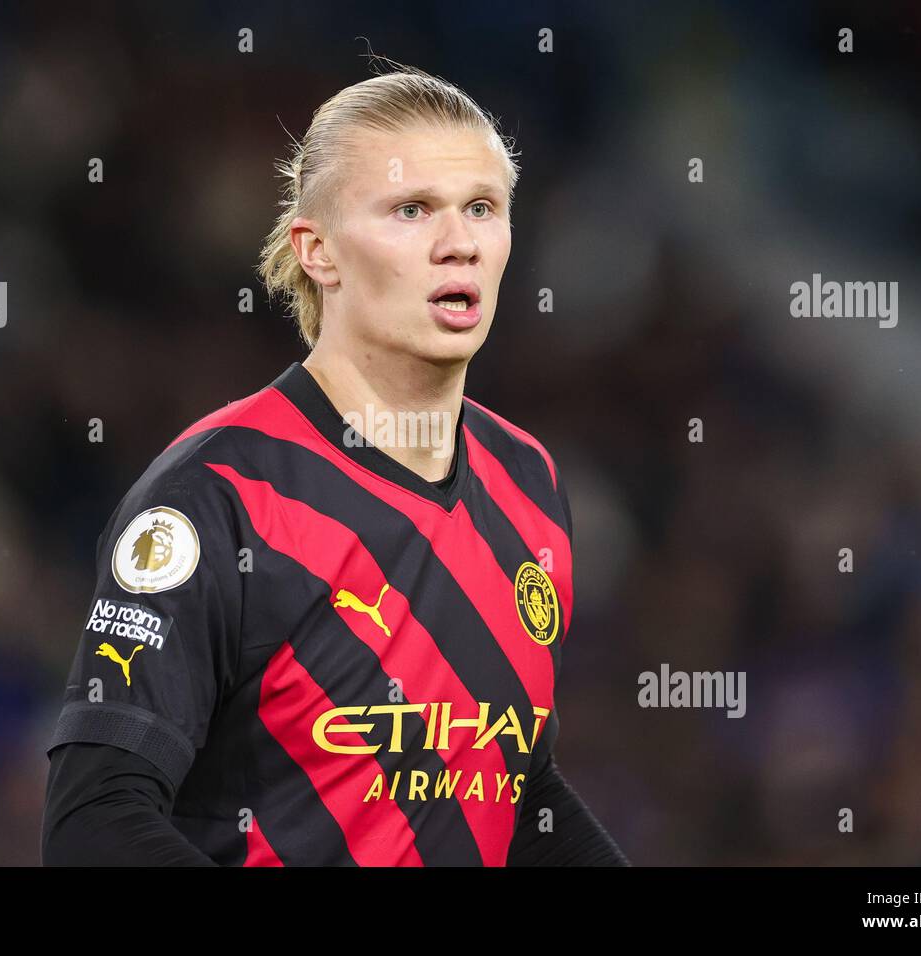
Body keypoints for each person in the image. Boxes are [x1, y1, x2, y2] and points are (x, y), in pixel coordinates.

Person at [42, 62, 630, 866]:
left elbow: (510, 792)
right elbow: (95, 822)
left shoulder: (528, 480)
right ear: (317, 251)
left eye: (482, 209)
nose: (457, 243)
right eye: (411, 210)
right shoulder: (216, 499)